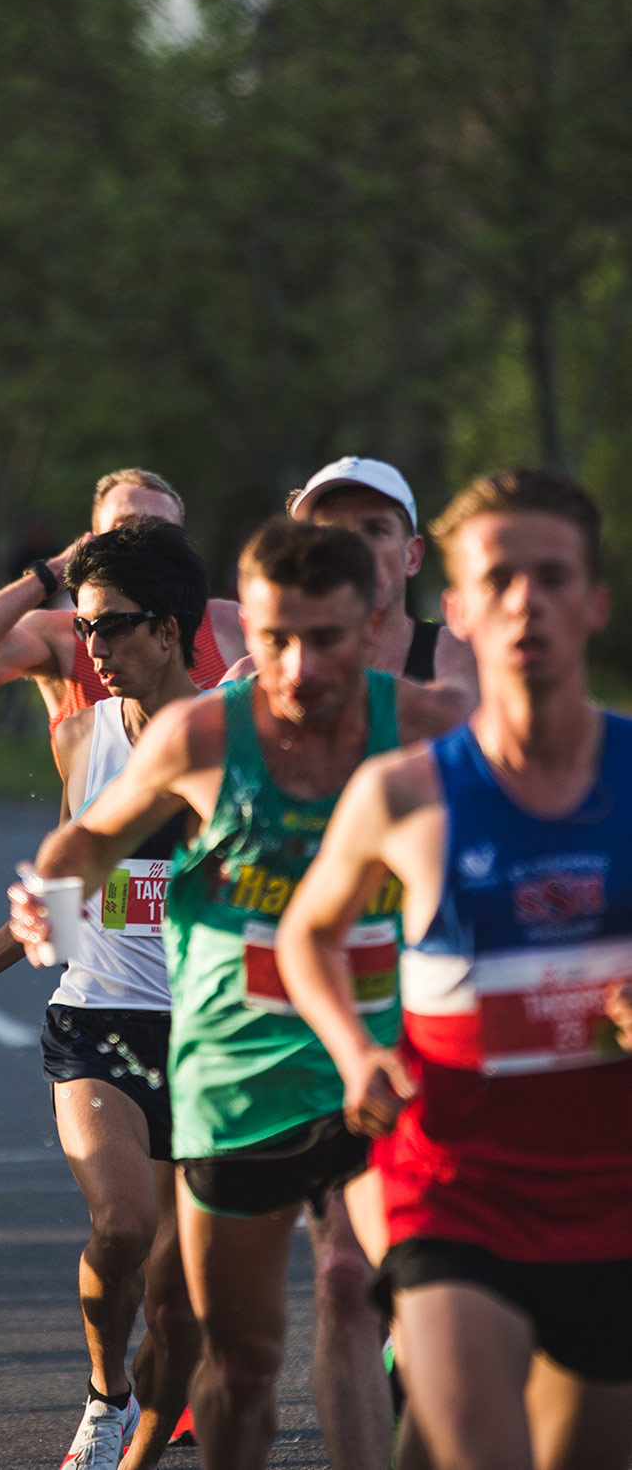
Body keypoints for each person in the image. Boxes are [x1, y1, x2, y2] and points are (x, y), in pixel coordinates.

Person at [8, 518, 468, 1470]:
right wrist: (45, 905)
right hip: (236, 1074)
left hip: (373, 1067)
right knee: (243, 1361)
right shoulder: (202, 734)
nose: (298, 668)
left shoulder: (423, 727)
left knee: (431, 1312)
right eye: (274, 641)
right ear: (243, 633)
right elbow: (83, 845)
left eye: (327, 639)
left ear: (374, 622)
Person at [274, 470, 632, 1470]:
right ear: (461, 608)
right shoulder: (405, 795)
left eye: (554, 576)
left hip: (613, 1195)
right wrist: (354, 1054)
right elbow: (309, 934)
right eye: (502, 578)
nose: (528, 602)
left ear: (595, 602)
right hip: (453, 1188)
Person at [0, 521, 208, 1468]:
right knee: (123, 1226)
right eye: (85, 630)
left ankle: (140, 1451)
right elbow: (67, 896)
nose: (95, 649)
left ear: (169, 630)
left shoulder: (235, 739)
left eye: (112, 628)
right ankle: (102, 1395)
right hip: (97, 1019)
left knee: (184, 1307)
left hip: (210, 1036)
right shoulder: (85, 734)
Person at [0, 470, 245, 758]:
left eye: (159, 532)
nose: (144, 544)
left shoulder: (231, 624)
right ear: (91, 543)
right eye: (126, 529)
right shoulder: (62, 635)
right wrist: (52, 571)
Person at [224, 456, 477, 702]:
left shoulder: (467, 665)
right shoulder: (245, 685)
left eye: (376, 529)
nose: (356, 548)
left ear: (412, 555)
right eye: (332, 533)